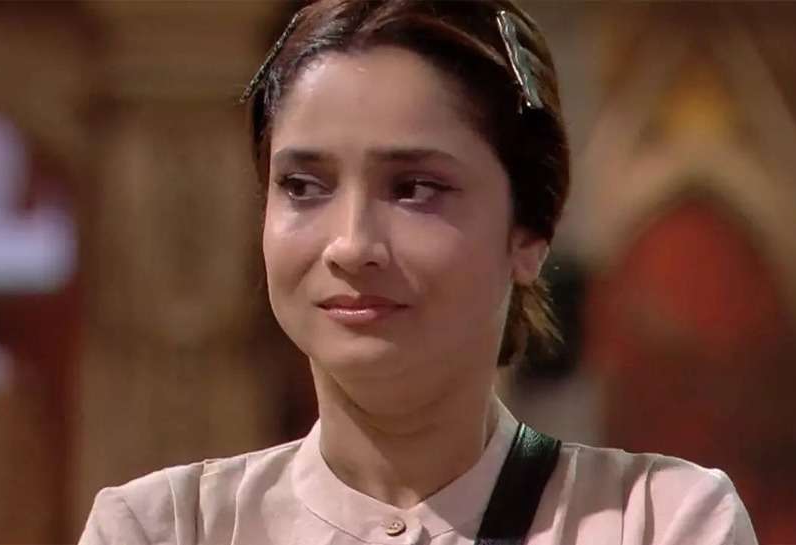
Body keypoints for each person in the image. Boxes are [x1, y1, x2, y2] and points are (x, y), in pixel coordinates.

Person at [78, 1, 757, 543]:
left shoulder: (661, 521)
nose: (351, 245)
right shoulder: (167, 527)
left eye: (414, 188)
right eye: (303, 187)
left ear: (530, 232)